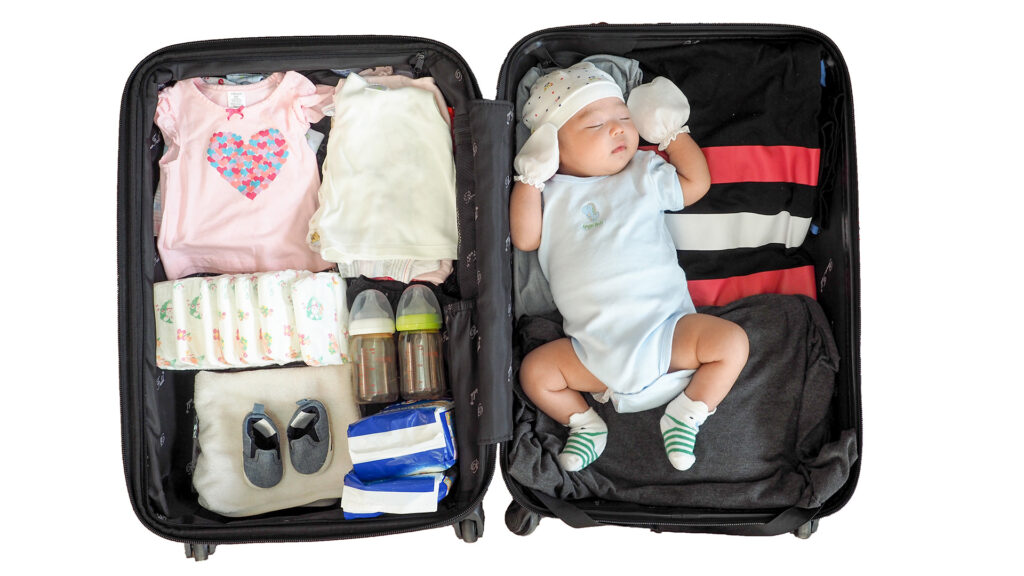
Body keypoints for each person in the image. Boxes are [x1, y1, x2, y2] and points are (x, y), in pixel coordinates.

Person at [510, 62, 749, 472]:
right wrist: (529, 180)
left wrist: (672, 135)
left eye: (624, 117)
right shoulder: (548, 193)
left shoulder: (642, 171)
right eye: (593, 124)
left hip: (667, 331)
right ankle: (584, 422)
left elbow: (695, 185)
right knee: (535, 372)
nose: (618, 129)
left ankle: (688, 412)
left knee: (731, 344)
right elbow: (526, 239)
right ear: (551, 146)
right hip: (594, 351)